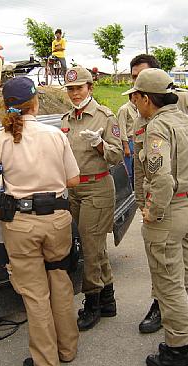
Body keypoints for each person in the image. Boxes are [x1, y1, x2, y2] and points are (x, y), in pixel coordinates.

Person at [0, 76, 80, 366]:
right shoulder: (56, 135)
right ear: (35, 102)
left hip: (21, 226)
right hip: (58, 220)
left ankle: (47, 363)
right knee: (60, 280)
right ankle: (68, 349)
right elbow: (72, 179)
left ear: (5, 106)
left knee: (35, 294)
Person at [125, 68, 188, 366]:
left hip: (168, 213)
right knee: (187, 275)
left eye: (136, 97)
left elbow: (162, 178)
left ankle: (177, 349)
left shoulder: (158, 127)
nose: (135, 103)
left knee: (168, 284)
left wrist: (152, 212)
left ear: (145, 98)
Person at [62, 66, 123, 331]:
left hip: (97, 187)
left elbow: (118, 155)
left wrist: (100, 144)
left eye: (79, 88)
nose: (75, 94)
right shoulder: (67, 119)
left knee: (90, 247)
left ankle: (93, 302)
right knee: (95, 246)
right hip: (74, 189)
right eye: (71, 89)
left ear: (90, 88)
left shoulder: (104, 116)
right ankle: (108, 299)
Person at [117, 95, 138, 188]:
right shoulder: (124, 109)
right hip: (128, 142)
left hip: (136, 141)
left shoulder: (137, 109)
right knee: (129, 170)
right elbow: (122, 129)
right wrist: (126, 146)